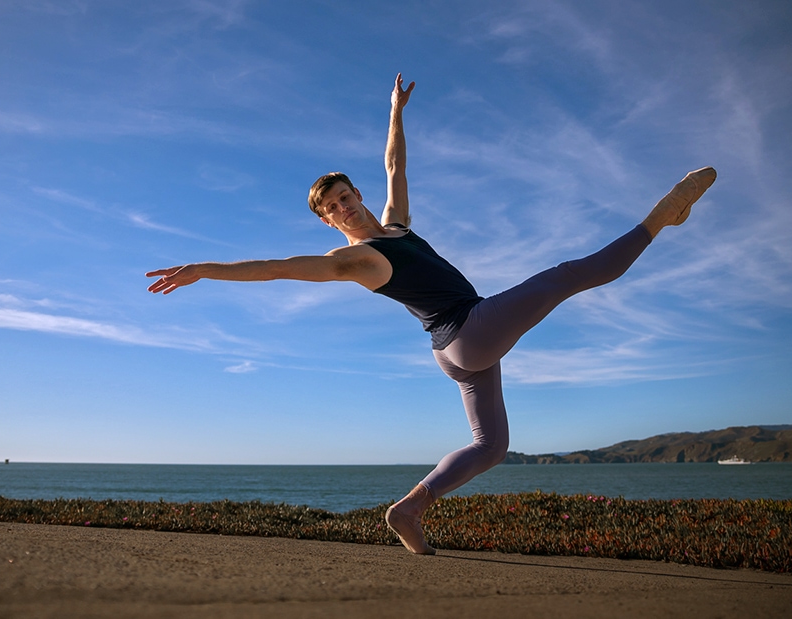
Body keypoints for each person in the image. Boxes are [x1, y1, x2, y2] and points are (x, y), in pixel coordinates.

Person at [147, 73, 717, 555]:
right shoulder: (355, 259)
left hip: (456, 348)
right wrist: (204, 269)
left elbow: (395, 163)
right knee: (567, 276)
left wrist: (395, 111)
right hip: (469, 331)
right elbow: (278, 268)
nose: (345, 206)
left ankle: (410, 509)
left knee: (492, 446)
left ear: (358, 196)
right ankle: (659, 220)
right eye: (333, 208)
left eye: (348, 196)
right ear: (327, 221)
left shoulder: (394, 226)